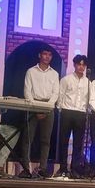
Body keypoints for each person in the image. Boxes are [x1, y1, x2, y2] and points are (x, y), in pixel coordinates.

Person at [20, 45, 59, 178]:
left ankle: (42, 168)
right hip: (33, 106)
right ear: (39, 55)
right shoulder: (31, 71)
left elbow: (55, 93)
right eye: (45, 54)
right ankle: (26, 169)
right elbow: (27, 91)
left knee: (45, 140)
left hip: (48, 106)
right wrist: (35, 108)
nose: (47, 57)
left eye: (49, 55)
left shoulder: (54, 73)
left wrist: (46, 108)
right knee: (27, 139)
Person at [56, 55, 90, 178]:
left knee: (78, 143)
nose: (81, 67)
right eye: (79, 64)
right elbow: (60, 95)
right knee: (63, 141)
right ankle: (63, 168)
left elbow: (89, 99)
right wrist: (61, 110)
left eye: (83, 65)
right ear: (74, 65)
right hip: (67, 111)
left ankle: (75, 168)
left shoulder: (88, 82)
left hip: (81, 113)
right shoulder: (66, 79)